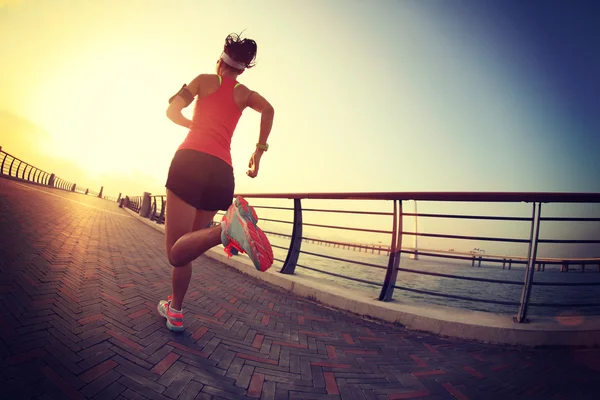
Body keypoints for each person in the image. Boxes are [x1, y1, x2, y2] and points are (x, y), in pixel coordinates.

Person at [157, 32, 275, 332]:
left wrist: (192, 124)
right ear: (242, 68)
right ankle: (176, 310)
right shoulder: (245, 93)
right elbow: (269, 110)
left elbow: (172, 111)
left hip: (190, 162)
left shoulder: (203, 80)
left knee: (175, 252)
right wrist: (258, 152)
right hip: (221, 171)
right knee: (187, 249)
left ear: (220, 61)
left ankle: (226, 229)